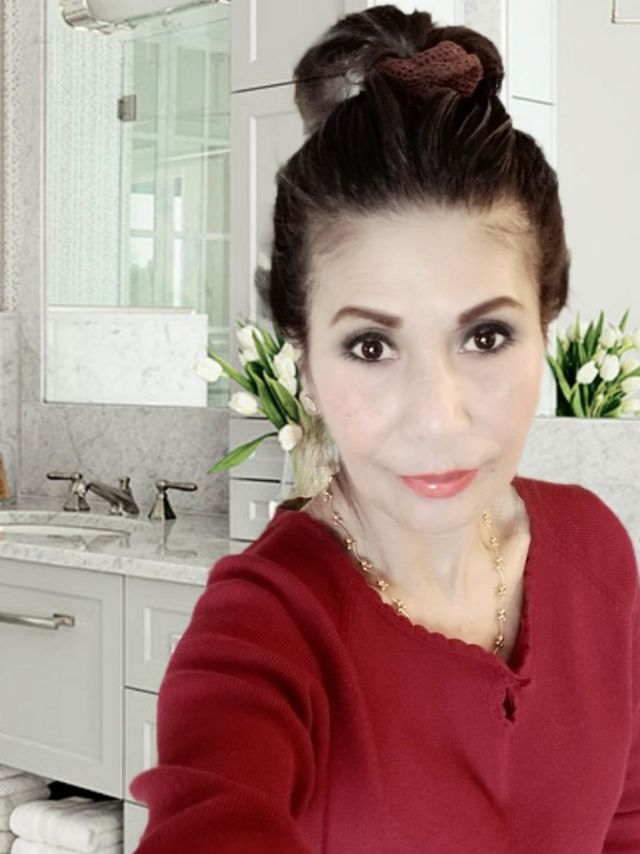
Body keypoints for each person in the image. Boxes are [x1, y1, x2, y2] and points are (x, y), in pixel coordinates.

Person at [129, 6, 639, 852]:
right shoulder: (264, 627)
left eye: (486, 337)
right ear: (304, 359)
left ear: (546, 326)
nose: (436, 416)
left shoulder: (596, 549)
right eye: (371, 346)